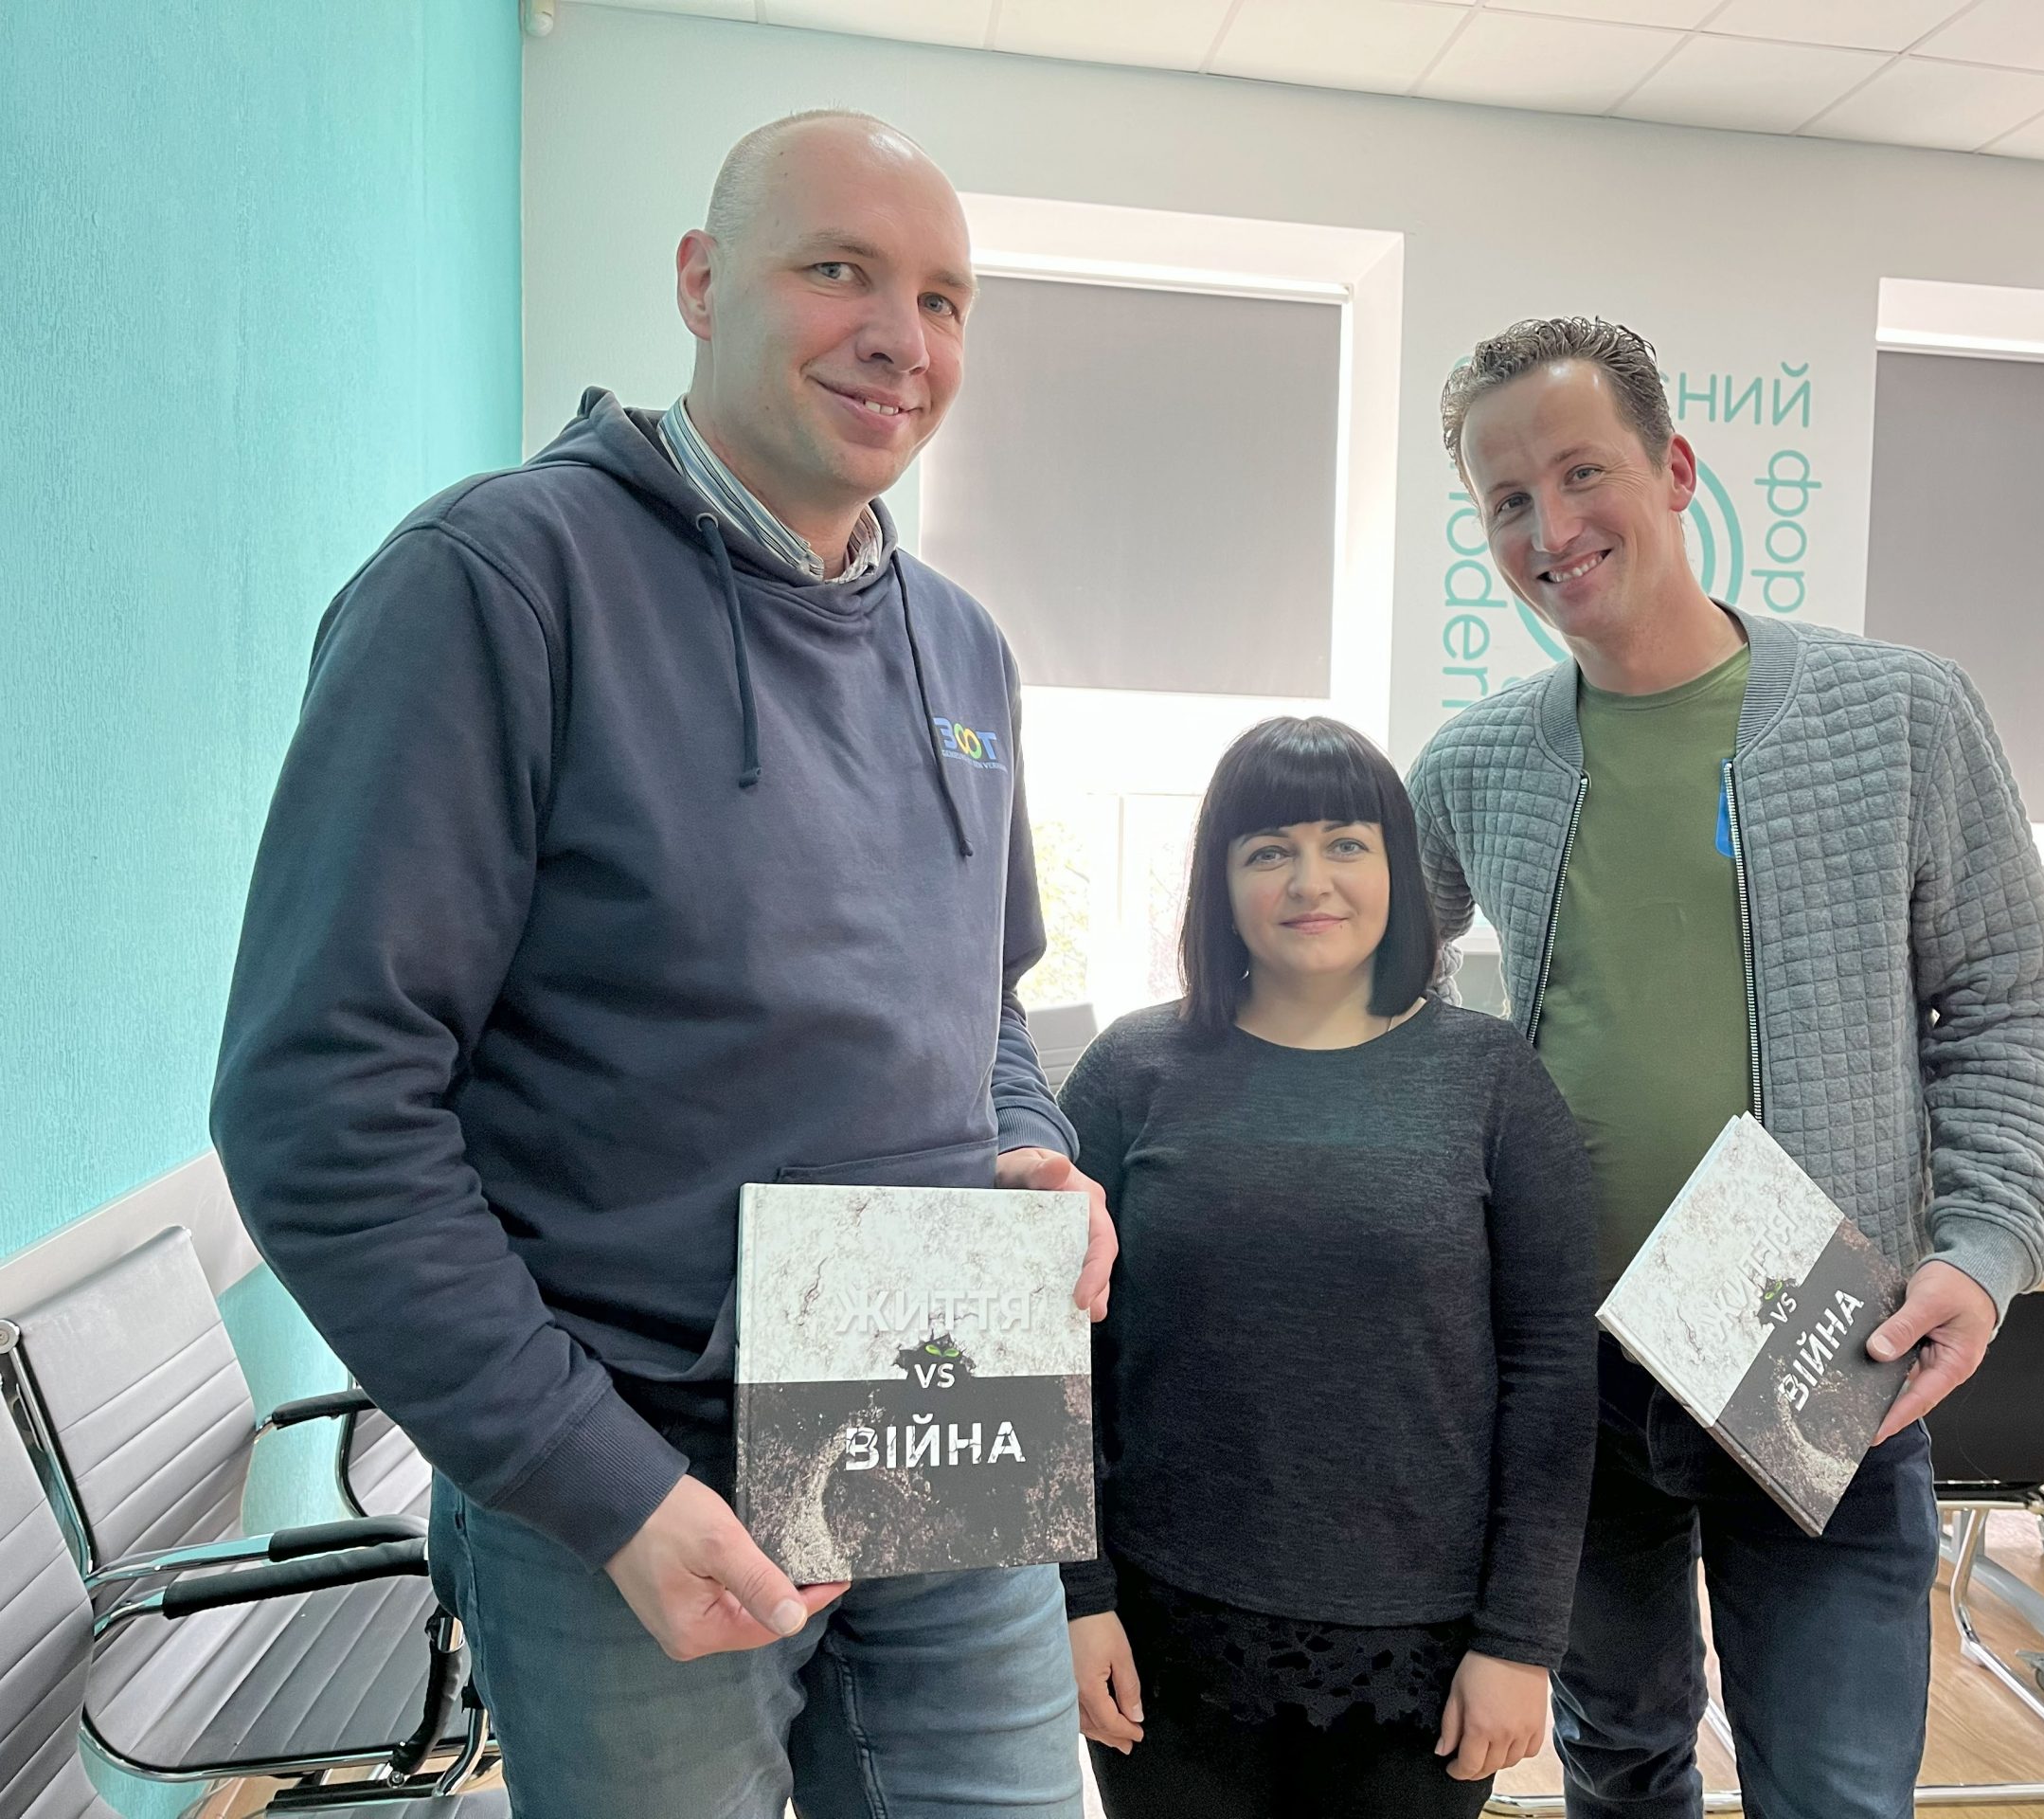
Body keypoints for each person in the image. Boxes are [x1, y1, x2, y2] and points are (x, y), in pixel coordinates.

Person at [210, 111, 1113, 1819]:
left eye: (942, 298)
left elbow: (983, 1006)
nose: (900, 337)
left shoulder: (963, 645)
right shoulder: (495, 587)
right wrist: (597, 1483)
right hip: (631, 1466)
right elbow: (322, 1111)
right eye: (837, 270)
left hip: (938, 1411)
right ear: (701, 283)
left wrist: (1027, 1140)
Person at [1410, 317, 2044, 1819]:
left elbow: (2009, 999)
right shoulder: (1472, 763)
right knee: (1619, 1760)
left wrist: (1983, 1249)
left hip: (1821, 1340)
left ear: (1675, 470)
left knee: (1835, 1788)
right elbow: (1374, 1000)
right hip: (1571, 1360)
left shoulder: (1900, 715)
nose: (1549, 529)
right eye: (1507, 500)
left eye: (1582, 474)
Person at [1056, 715, 1601, 1819]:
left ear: (1399, 868)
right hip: (1163, 1629)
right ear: (1219, 883)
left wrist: (1520, 1640)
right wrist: (1074, 1597)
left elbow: (1550, 1371)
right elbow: (1058, 1357)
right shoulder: (1129, 1071)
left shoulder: (1491, 1077)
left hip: (1425, 1648)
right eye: (1269, 850)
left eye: (1347, 843)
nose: (1311, 881)